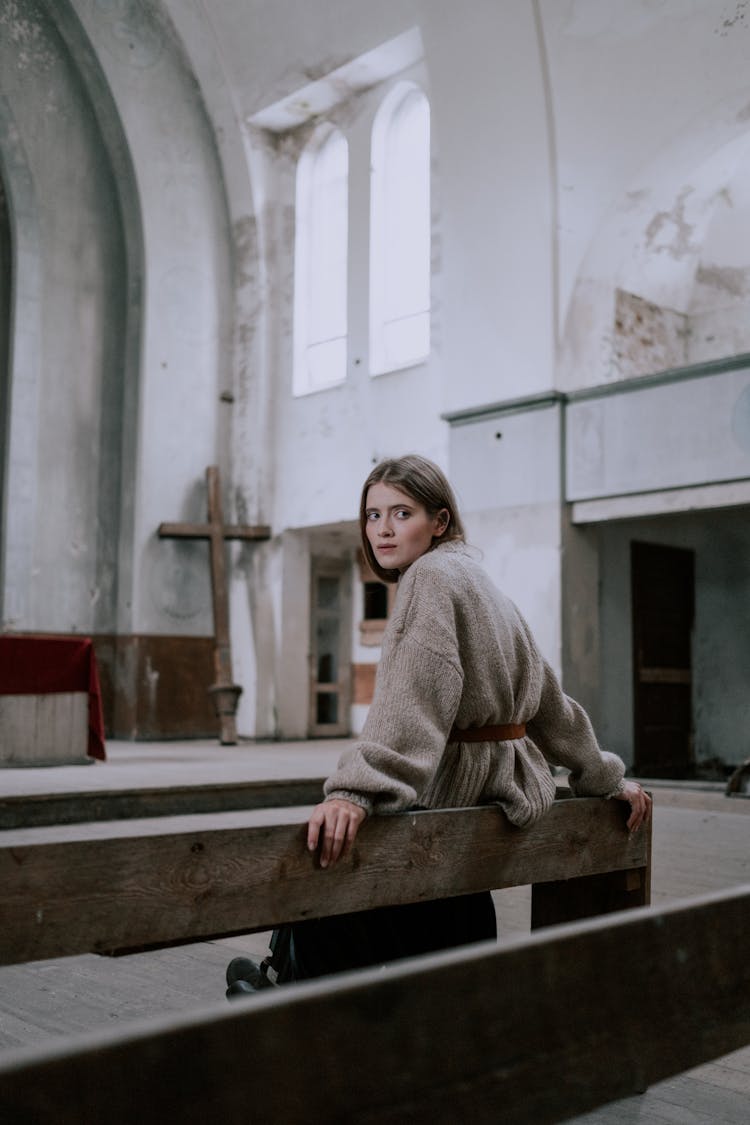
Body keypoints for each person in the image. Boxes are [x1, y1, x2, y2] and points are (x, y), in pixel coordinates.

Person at [226, 454, 651, 997]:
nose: (382, 529)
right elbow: (550, 702)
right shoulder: (483, 584)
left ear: (440, 521)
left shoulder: (428, 579)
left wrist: (356, 791)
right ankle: (291, 987)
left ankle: (289, 1002)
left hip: (443, 797)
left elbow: (414, 701)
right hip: (490, 800)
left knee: (329, 864)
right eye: (373, 515)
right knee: (439, 899)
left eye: (401, 513)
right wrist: (605, 778)